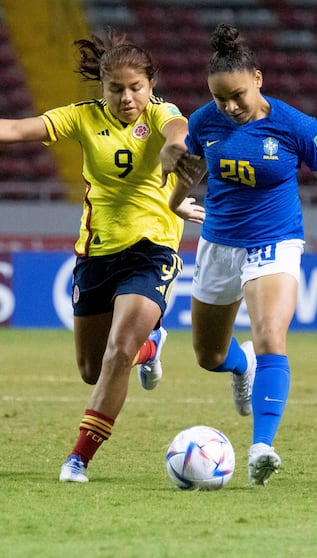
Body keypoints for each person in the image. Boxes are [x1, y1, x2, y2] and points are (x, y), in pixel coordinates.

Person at [0, 27, 205, 482]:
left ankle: (78, 459)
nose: (127, 97)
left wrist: (174, 154)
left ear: (150, 86)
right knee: (93, 370)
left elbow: (178, 134)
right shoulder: (81, 118)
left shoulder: (160, 114)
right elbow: (15, 128)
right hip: (96, 252)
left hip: (151, 249)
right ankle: (150, 346)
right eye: (116, 89)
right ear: (102, 87)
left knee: (116, 352)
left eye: (136, 88)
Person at [170, 23, 317, 486]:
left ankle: (261, 447)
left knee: (271, 333)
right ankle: (243, 366)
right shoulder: (203, 123)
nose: (230, 107)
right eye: (220, 99)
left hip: (275, 241)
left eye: (237, 95)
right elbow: (189, 167)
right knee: (208, 355)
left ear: (258, 78)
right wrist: (176, 202)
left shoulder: (296, 126)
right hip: (218, 243)